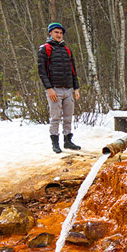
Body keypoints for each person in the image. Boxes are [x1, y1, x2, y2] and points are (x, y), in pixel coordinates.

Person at [37, 22, 81, 154]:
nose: (59, 35)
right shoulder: (45, 49)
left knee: (68, 116)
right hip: (54, 89)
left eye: (61, 33)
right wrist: (49, 88)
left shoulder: (66, 50)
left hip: (68, 89)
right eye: (56, 32)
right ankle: (55, 143)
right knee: (55, 117)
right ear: (50, 33)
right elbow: (42, 71)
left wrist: (76, 88)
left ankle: (68, 141)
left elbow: (73, 70)